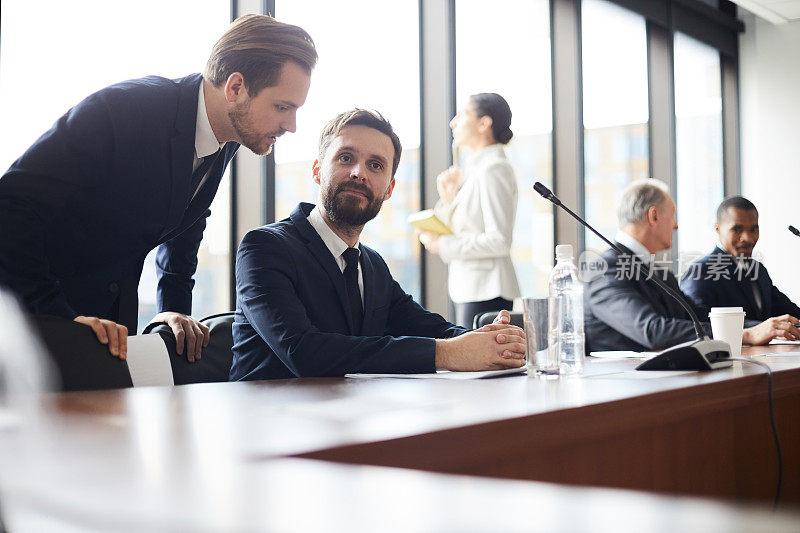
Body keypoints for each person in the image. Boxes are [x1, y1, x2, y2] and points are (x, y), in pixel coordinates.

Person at [0, 15, 316, 362]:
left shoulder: (225, 139)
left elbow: (187, 224)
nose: (292, 125)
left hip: (105, 332)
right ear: (236, 87)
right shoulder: (126, 109)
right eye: (282, 107)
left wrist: (173, 311)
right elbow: (11, 205)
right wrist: (59, 314)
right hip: (29, 325)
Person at [230, 109, 526, 381]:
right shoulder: (264, 248)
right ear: (317, 170)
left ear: (388, 189)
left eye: (375, 165)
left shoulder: (371, 265)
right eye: (345, 158)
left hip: (349, 421)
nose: (360, 172)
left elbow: (429, 327)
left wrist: (489, 341)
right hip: (269, 425)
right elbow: (302, 351)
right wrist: (450, 353)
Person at [583, 180, 794, 354]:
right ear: (654, 216)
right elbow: (653, 331)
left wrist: (764, 328)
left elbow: (698, 315)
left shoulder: (660, 274)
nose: (676, 225)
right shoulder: (603, 270)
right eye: (672, 215)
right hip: (622, 391)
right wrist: (744, 334)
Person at [417, 93, 520, 328]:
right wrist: (447, 198)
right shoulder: (476, 170)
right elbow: (461, 226)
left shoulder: (494, 169)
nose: (453, 122)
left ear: (484, 123)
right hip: (471, 289)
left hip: (487, 290)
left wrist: (442, 245)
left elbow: (499, 240)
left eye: (462, 114)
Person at [680, 196, 800, 338]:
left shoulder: (758, 269)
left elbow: (787, 312)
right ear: (718, 229)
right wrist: (758, 329)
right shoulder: (700, 271)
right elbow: (698, 323)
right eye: (737, 229)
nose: (748, 238)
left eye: (754, 229)